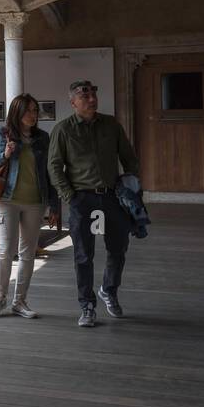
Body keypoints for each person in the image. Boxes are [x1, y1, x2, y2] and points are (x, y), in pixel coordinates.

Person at [47, 79, 141, 328]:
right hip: (82, 199)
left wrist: (130, 186)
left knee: (118, 248)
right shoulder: (63, 129)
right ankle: (87, 305)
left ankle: (108, 290)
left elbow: (129, 157)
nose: (91, 99)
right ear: (73, 102)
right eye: (84, 95)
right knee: (83, 255)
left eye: (93, 94)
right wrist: (70, 196)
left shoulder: (111, 125)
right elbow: (54, 167)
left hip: (111, 197)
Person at [0, 93, 59, 319]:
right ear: (17, 112)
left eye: (35, 111)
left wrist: (54, 204)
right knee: (5, 251)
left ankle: (20, 301)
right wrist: (4, 154)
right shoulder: (2, 134)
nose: (33, 115)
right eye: (28, 111)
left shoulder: (43, 138)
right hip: (7, 201)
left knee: (27, 253)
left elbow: (50, 173)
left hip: (35, 202)